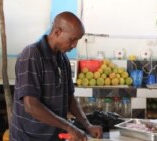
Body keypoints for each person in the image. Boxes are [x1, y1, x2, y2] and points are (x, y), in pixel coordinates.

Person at [10, 12, 103, 141]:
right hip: (29, 137)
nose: (75, 45)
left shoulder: (63, 59)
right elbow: (31, 106)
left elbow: (70, 99)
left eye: (77, 41)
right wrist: (69, 127)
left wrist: (88, 125)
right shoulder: (31, 54)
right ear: (57, 32)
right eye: (72, 39)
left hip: (54, 137)